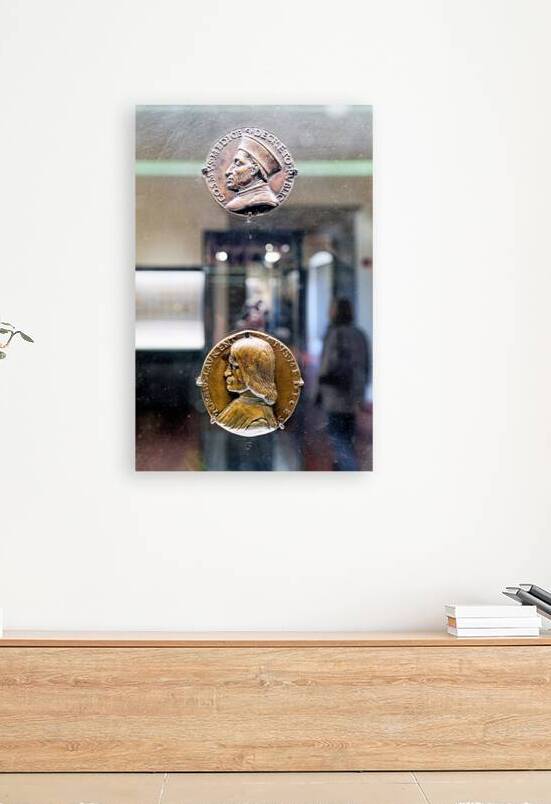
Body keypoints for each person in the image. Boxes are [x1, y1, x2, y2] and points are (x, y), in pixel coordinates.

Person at [317, 299, 371, 470]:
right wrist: (362, 391)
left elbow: (327, 365)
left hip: (336, 394)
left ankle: (348, 469)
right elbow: (366, 364)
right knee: (347, 434)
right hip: (354, 393)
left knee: (337, 436)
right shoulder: (360, 334)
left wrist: (319, 391)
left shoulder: (334, 333)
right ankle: (344, 467)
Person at [217, 335, 278, 436]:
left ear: (253, 372)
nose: (227, 373)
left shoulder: (259, 422)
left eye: (235, 367)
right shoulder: (238, 405)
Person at [224, 135, 281, 214]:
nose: (227, 172)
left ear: (254, 170)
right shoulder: (238, 202)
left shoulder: (263, 201)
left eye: (238, 164)